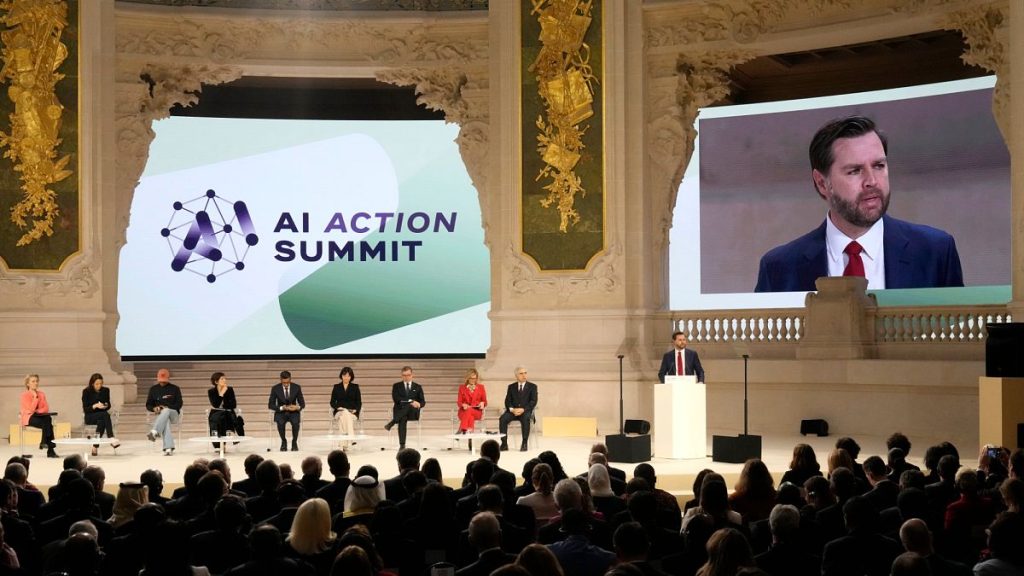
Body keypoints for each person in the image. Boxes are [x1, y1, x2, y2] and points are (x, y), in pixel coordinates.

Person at [755, 115, 963, 293]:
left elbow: (960, 339)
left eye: (879, 166)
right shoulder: (779, 268)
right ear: (822, 183)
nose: (872, 181)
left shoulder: (936, 252)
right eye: (854, 171)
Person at [384, 366, 425, 450]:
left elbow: (423, 402)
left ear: (412, 375)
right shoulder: (396, 386)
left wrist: (418, 404)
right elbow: (396, 399)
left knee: (408, 407)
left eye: (408, 375)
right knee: (403, 417)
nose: (406, 377)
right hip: (400, 411)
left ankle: (392, 422)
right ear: (401, 376)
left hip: (412, 413)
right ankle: (402, 445)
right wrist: (411, 401)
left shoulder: (418, 387)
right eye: (404, 375)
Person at [499, 367, 538, 452]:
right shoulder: (511, 387)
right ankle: (504, 443)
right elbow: (507, 401)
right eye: (521, 373)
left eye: (525, 373)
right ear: (516, 376)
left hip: (525, 412)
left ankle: (524, 443)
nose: (524, 375)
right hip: (513, 412)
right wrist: (512, 409)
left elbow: (533, 401)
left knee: (526, 418)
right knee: (503, 418)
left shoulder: (533, 387)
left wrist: (523, 409)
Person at [146, 368, 183, 456]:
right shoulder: (153, 389)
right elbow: (148, 405)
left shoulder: (175, 389)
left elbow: (179, 404)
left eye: (164, 380)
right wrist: (154, 408)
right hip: (161, 417)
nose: (162, 382)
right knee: (166, 421)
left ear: (168, 378)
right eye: (161, 380)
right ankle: (168, 448)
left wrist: (167, 407)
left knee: (166, 411)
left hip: (174, 414)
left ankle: (155, 431)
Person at [20, 374, 58, 458]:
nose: (36, 383)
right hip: (29, 418)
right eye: (33, 381)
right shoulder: (24, 395)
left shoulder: (42, 394)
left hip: (40, 416)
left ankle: (44, 442)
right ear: (28, 384)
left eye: (37, 381)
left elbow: (46, 408)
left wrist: (37, 411)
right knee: (48, 423)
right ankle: (50, 450)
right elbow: (30, 410)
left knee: (47, 419)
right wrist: (35, 397)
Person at [81, 373, 119, 456]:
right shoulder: (86, 392)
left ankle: (95, 447)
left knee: (102, 421)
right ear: (92, 384)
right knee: (105, 415)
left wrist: (105, 406)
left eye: (101, 383)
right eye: (97, 384)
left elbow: (108, 405)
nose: (99, 386)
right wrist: (95, 406)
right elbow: (86, 409)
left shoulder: (105, 390)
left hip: (101, 415)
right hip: (90, 416)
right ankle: (111, 438)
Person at [269, 371, 305, 452]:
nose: (286, 384)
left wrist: (297, 407)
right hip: (281, 412)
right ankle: (283, 442)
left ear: (290, 379)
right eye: (284, 382)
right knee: (280, 423)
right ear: (280, 380)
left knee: (296, 423)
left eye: (288, 382)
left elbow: (302, 403)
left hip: (293, 412)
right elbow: (270, 405)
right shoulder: (275, 388)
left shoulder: (297, 387)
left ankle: (294, 442)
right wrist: (282, 408)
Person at [208, 372, 242, 450]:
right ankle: (220, 443)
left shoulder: (230, 389)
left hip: (228, 411)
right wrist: (221, 394)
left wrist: (224, 407)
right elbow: (215, 405)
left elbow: (233, 404)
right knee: (217, 419)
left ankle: (223, 442)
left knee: (224, 416)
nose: (224, 380)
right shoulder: (211, 391)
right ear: (216, 382)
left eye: (225, 378)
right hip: (216, 412)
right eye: (222, 379)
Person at [329, 367, 361, 439]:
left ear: (351, 377)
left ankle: (343, 445)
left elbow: (359, 402)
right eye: (344, 375)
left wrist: (356, 410)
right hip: (339, 411)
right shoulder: (336, 387)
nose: (346, 378)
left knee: (342, 418)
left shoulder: (355, 387)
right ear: (341, 376)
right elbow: (332, 402)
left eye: (348, 376)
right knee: (344, 413)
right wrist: (338, 407)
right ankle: (351, 438)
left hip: (352, 412)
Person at [457, 369, 487, 433]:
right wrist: (463, 405)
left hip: (477, 412)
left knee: (469, 410)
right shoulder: (462, 388)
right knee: (470, 417)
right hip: (463, 412)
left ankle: (461, 429)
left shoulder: (481, 387)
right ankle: (470, 436)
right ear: (467, 378)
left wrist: (482, 403)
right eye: (471, 378)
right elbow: (459, 402)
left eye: (475, 378)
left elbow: (485, 402)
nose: (473, 380)